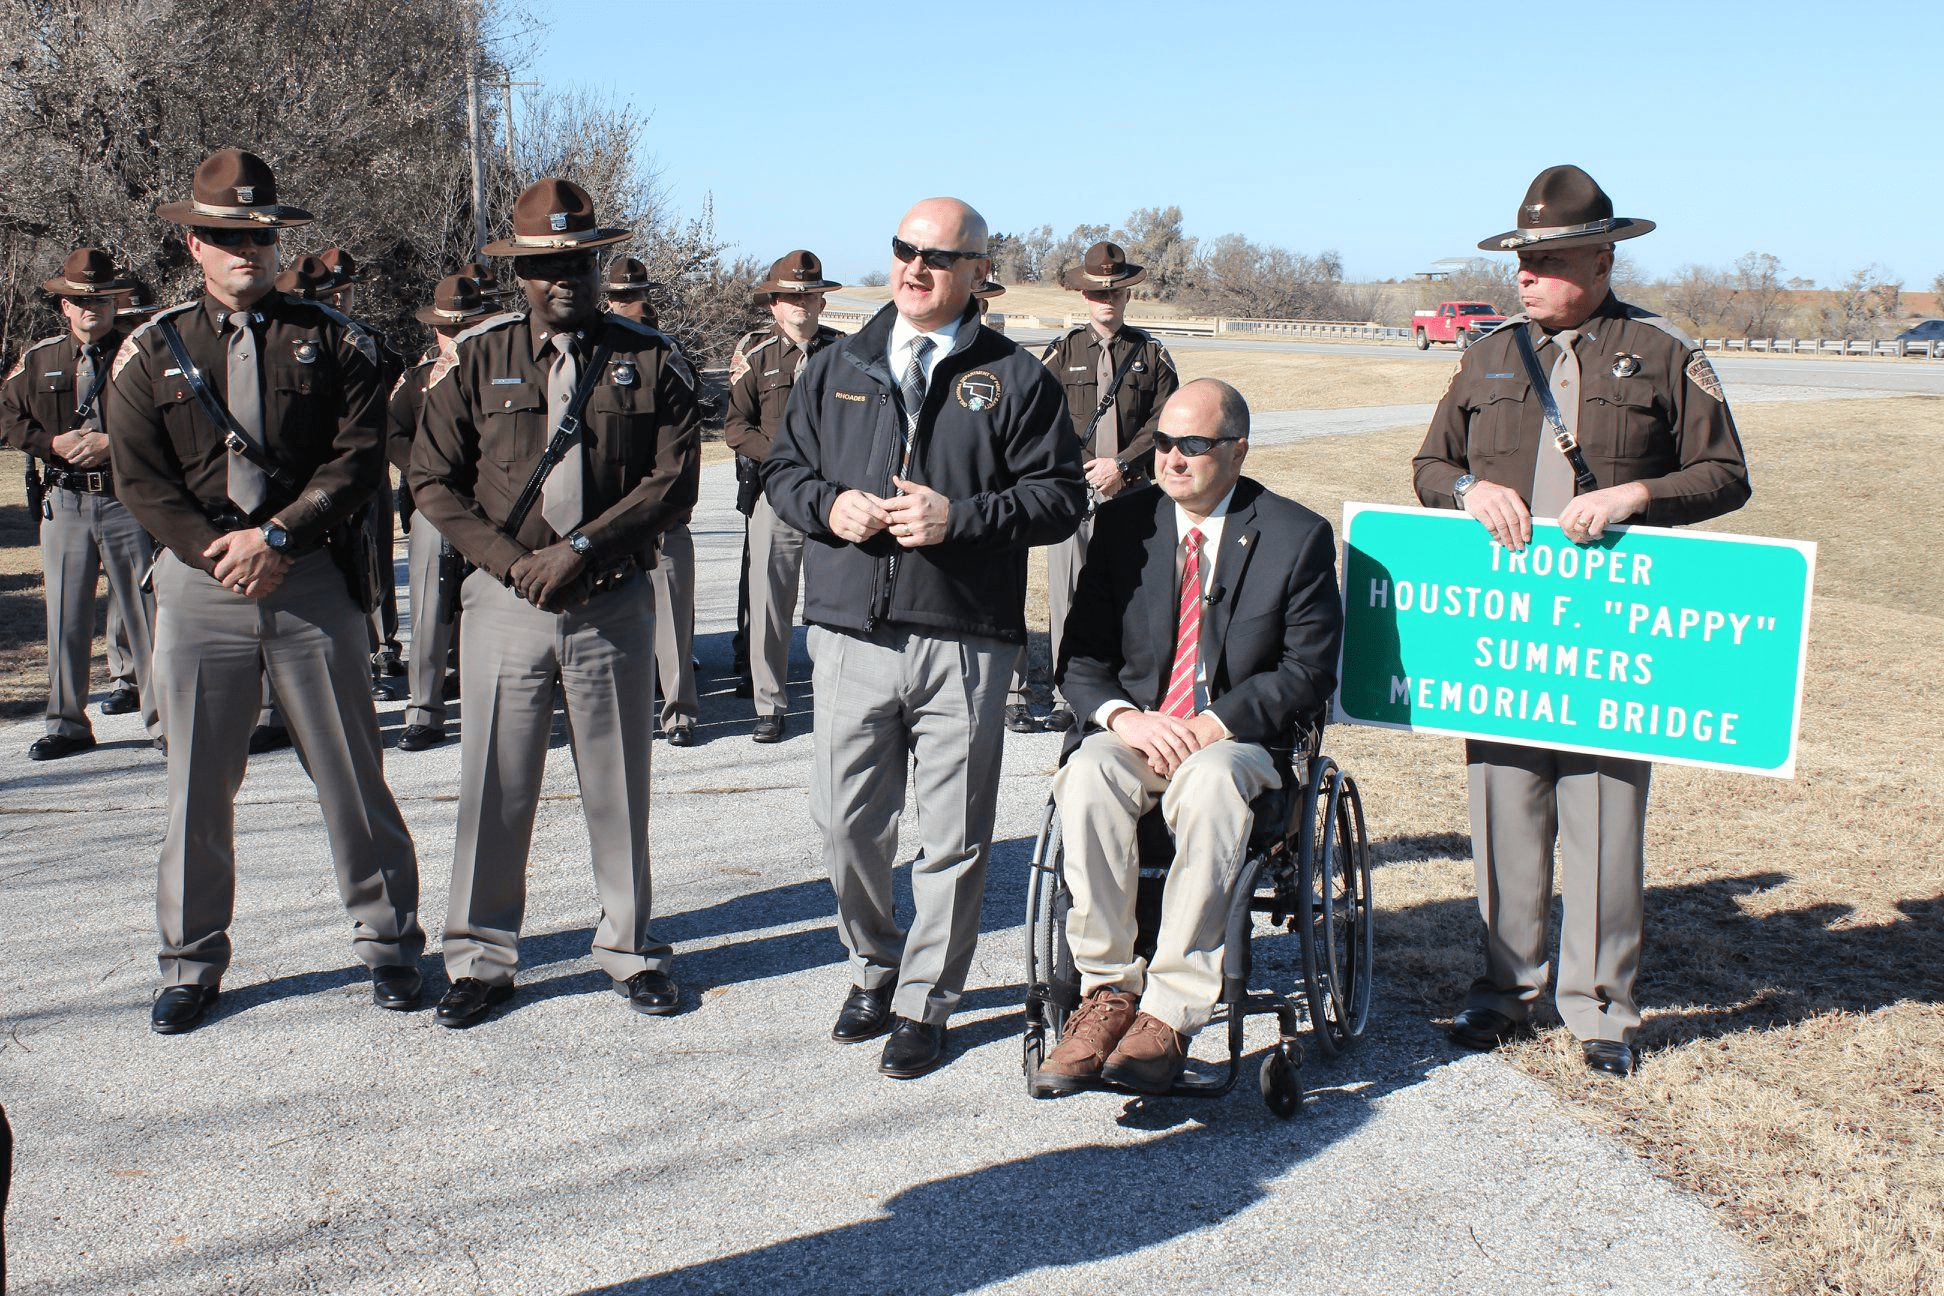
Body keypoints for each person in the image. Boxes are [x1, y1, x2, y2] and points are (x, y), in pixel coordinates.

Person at [1412, 164, 1752, 1078]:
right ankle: (1502, 991)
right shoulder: (1486, 355)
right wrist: (1468, 488)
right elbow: (1428, 465)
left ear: (1601, 259)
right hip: (1507, 631)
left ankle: (1601, 1008)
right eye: (1520, 260)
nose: (1524, 277)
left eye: (1547, 259)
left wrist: (1639, 494)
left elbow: (1724, 474)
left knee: (1603, 820)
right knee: (1504, 812)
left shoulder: (1662, 352)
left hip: (1611, 637)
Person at [763, 197, 1086, 1078]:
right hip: (850, 634)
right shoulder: (838, 363)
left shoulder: (1015, 378)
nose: (916, 268)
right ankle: (874, 962)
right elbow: (782, 471)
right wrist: (828, 506)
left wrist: (964, 518)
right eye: (905, 250)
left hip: (965, 639)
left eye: (939, 257)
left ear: (980, 272)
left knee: (953, 835)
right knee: (845, 826)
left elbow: (1061, 499)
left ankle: (925, 1000)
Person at [106, 147, 424, 1034]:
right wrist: (221, 550)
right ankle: (190, 958)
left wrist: (279, 534)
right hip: (202, 585)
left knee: (352, 774)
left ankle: (392, 944)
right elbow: (140, 477)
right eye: (224, 236)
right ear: (195, 248)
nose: (245, 250)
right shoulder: (149, 351)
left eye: (259, 235)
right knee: (198, 784)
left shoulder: (336, 339)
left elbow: (359, 458)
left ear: (280, 242)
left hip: (310, 577)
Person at [411, 178, 701, 1028]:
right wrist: (509, 561)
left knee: (618, 786)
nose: (562, 277)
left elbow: (673, 480)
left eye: (577, 259)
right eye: (544, 265)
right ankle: (479, 957)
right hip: (508, 604)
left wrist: (579, 549)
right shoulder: (478, 358)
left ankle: (630, 945)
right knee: (494, 787)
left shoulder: (649, 357)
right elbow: (431, 477)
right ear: (520, 274)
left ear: (598, 260)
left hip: (609, 598)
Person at [1037, 379, 1342, 1094]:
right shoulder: (1125, 526)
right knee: (1088, 772)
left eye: (1193, 446)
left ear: (1237, 451)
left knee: (1208, 781)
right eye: (1165, 443)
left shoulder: (1295, 536)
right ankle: (1107, 991)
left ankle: (1170, 1012)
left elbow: (1307, 671)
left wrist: (1212, 722)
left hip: (1239, 741)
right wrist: (1124, 718)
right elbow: (1079, 656)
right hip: (1141, 730)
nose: (1172, 459)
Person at [1007, 241, 1178, 735]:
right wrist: (1084, 466)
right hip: (1074, 494)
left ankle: (1127, 690)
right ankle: (1070, 694)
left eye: (1116, 292)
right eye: (1098, 293)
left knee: (1131, 594)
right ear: (1085, 297)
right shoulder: (1063, 352)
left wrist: (1123, 463)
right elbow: (1040, 415)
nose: (1107, 301)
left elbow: (1167, 418)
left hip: (1131, 494)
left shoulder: (1151, 354)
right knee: (1067, 596)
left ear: (1127, 296)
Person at [2, 248, 164, 759]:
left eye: (101, 298)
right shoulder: (40, 359)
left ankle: (164, 722)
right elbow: (6, 415)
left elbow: (172, 421)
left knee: (147, 616)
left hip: (126, 500)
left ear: (116, 301)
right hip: (65, 504)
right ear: (64, 307)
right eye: (79, 299)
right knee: (65, 618)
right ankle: (66, 722)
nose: (90, 307)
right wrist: (48, 444)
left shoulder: (146, 353)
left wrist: (115, 442)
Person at [722, 250, 844, 742]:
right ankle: (769, 705)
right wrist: (781, 458)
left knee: (834, 601)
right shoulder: (756, 356)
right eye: (791, 296)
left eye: (809, 296)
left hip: (834, 497)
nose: (801, 305)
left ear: (821, 302)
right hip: (776, 496)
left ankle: (838, 699)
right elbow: (735, 427)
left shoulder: (846, 354)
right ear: (774, 303)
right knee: (770, 604)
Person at [391, 273, 502, 751]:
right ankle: (425, 709)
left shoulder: (502, 370)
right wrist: (423, 475)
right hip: (435, 507)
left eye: (465, 326)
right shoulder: (416, 379)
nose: (453, 336)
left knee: (496, 606)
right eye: (446, 328)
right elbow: (390, 432)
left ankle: (493, 704)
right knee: (430, 606)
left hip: (492, 507)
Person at [602, 255, 697, 744]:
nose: (625, 303)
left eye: (633, 295)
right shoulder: (592, 350)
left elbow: (685, 438)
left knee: (674, 612)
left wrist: (672, 505)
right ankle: (625, 712)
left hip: (660, 511)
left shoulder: (667, 352)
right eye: (617, 295)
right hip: (608, 513)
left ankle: (679, 711)